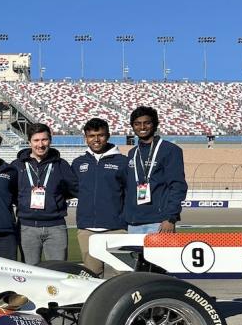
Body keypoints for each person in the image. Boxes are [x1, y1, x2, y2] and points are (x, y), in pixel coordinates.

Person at [12, 123, 77, 264]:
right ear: (29, 142)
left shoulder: (61, 165)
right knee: (29, 272)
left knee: (58, 271)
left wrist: (53, 198)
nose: (40, 145)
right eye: (36, 140)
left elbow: (73, 189)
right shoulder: (17, 165)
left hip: (56, 227)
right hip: (26, 227)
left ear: (50, 141)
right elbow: (11, 192)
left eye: (44, 140)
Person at [72, 118, 128, 276]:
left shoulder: (123, 162)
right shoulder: (78, 163)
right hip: (87, 230)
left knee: (123, 276)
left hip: (117, 229)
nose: (96, 139)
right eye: (92, 136)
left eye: (101, 135)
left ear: (108, 136)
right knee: (92, 277)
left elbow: (130, 193)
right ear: (86, 138)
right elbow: (73, 189)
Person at [124, 106, 188, 234]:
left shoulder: (170, 150)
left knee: (160, 255)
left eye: (147, 123)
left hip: (159, 222)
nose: (142, 127)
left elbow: (178, 186)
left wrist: (170, 218)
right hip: (134, 222)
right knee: (137, 255)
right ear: (132, 126)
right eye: (137, 124)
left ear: (155, 125)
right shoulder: (133, 153)